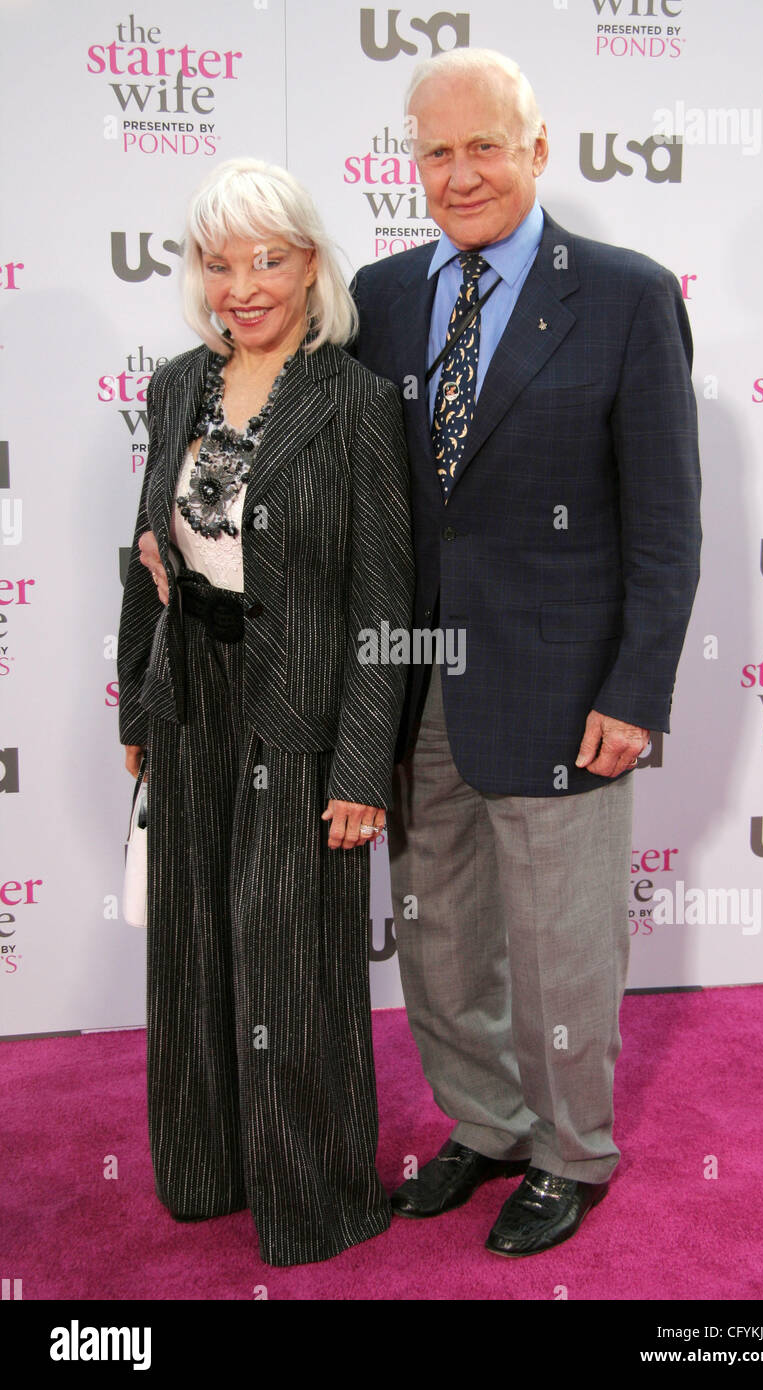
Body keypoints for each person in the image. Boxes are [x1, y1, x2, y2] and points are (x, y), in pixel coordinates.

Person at [350, 48, 701, 1257]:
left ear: (538, 149)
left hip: (563, 690)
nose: (460, 172)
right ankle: (487, 1123)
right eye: (437, 150)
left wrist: (637, 689)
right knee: (440, 934)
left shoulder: (625, 293)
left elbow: (665, 519)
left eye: (484, 144)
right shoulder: (383, 296)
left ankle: (571, 1152)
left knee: (560, 949)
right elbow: (349, 487)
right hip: (414, 683)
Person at [117, 157, 414, 1267]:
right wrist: (134, 698)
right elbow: (146, 551)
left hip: (301, 709)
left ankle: (318, 1194)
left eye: (268, 260)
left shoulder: (354, 403)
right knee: (192, 946)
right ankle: (208, 1169)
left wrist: (359, 767)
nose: (242, 285)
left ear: (310, 266)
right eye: (219, 261)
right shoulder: (176, 384)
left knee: (294, 963)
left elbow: (386, 599)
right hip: (190, 699)